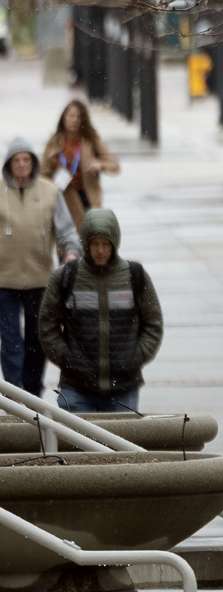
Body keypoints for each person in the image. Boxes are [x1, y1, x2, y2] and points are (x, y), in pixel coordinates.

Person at [39, 208, 162, 412]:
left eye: (106, 244)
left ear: (114, 244)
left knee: (119, 444)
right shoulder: (66, 277)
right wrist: (67, 359)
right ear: (86, 244)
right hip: (76, 388)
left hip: (123, 387)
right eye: (95, 244)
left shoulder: (135, 276)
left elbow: (153, 324)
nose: (100, 250)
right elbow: (47, 325)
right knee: (78, 443)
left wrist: (136, 356)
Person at [0, 137, 81, 396]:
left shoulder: (49, 192)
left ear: (33, 163)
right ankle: (15, 395)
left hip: (40, 280)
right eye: (17, 161)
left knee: (37, 342)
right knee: (11, 343)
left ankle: (33, 393)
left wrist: (70, 254)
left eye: (26, 160)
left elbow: (66, 229)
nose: (22, 165)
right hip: (4, 281)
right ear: (9, 165)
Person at [41, 99, 119, 229]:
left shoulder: (91, 140)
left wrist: (100, 165)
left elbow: (114, 165)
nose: (74, 120)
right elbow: (42, 172)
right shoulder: (54, 141)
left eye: (79, 116)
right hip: (63, 198)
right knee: (67, 242)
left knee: (87, 239)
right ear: (63, 118)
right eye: (71, 115)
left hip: (87, 197)